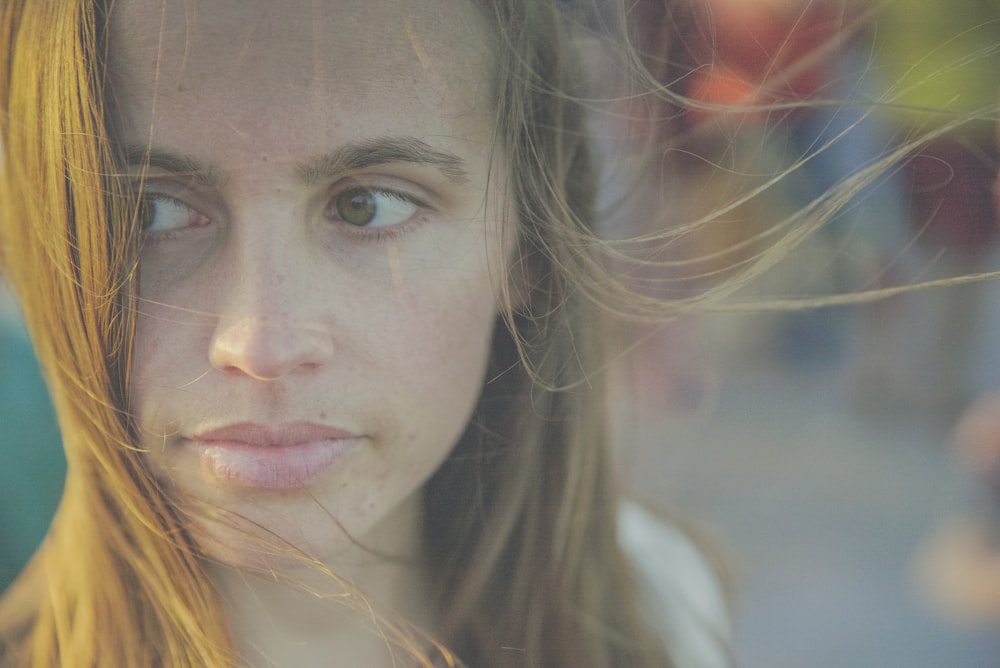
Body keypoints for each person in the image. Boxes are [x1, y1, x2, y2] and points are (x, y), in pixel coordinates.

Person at [0, 1, 735, 667]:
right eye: (147, 214)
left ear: (531, 244)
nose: (261, 345)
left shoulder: (662, 606)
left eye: (366, 207)